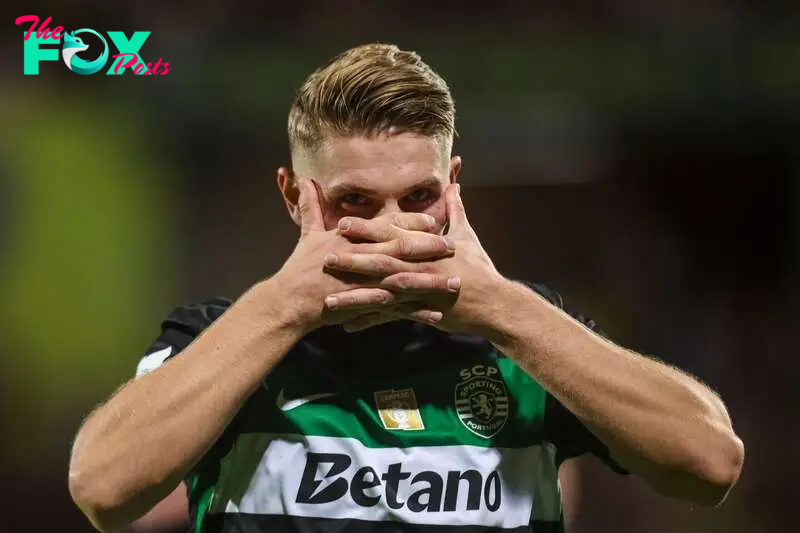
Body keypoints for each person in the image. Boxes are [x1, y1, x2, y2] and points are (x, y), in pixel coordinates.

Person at [68, 43, 744, 533]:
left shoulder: (528, 339)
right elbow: (103, 488)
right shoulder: (223, 338)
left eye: (418, 196)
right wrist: (284, 306)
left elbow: (710, 462)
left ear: (453, 187)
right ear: (294, 197)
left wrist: (502, 308)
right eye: (356, 199)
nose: (391, 229)